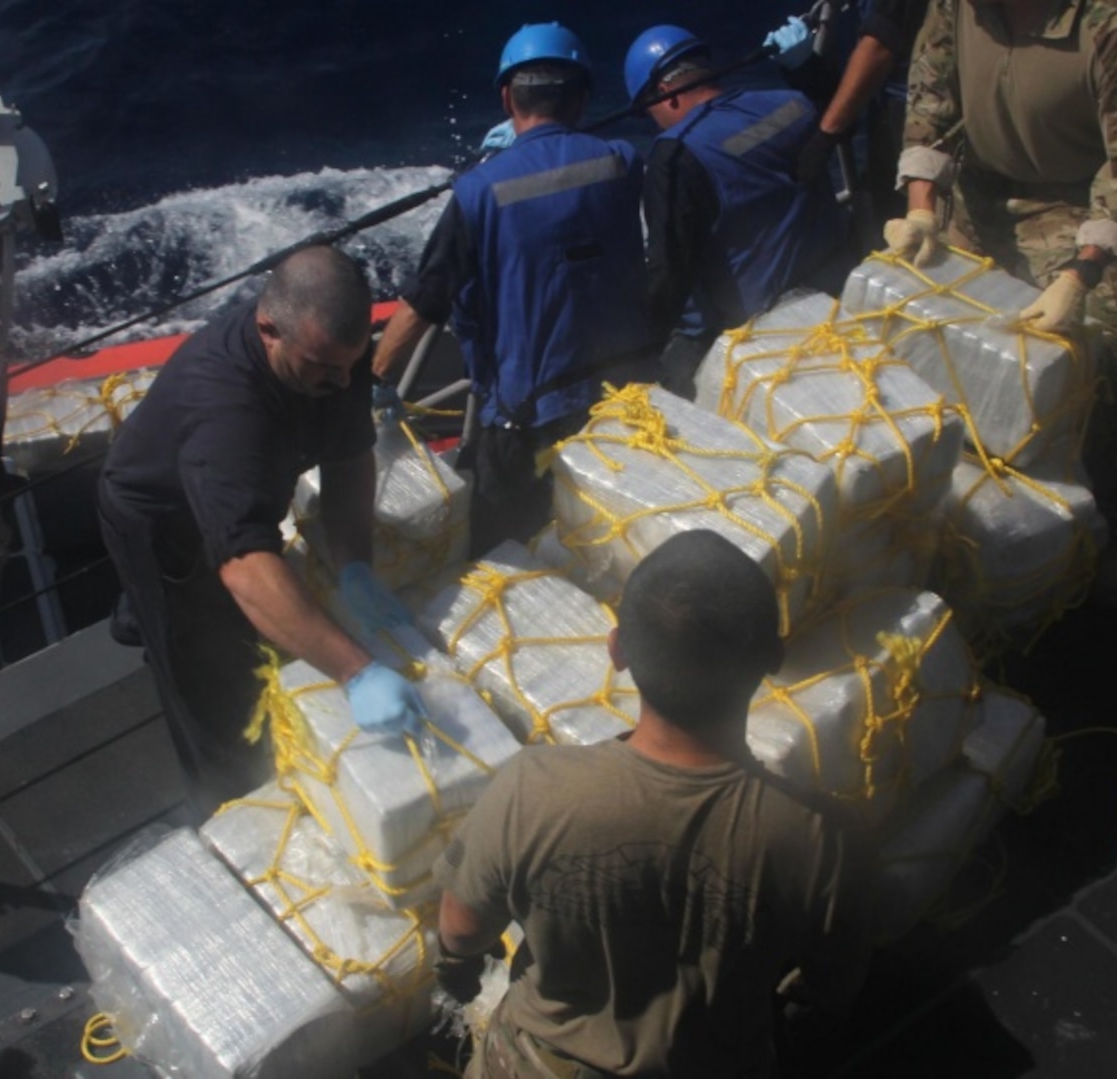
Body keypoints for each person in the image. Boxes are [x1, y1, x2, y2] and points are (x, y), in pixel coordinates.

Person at [435, 530, 869, 1078]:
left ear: (616, 652)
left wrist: (455, 970)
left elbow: (461, 931)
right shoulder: (820, 839)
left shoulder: (533, 790)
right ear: (773, 660)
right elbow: (831, 987)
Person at [97, 246, 427, 810]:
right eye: (325, 369)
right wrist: (357, 672)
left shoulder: (330, 352)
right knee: (206, 683)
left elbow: (350, 455)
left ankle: (142, 619)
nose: (342, 380)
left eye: (351, 365)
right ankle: (228, 804)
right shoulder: (225, 410)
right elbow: (245, 565)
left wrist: (355, 566)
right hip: (164, 520)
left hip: (250, 484)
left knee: (239, 604)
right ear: (267, 329)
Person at [885, 0, 1117, 604]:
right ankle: (930, 502)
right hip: (977, 192)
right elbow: (930, 105)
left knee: (1097, 360)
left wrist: (1081, 274)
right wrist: (920, 208)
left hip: (1076, 206)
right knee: (918, 327)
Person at [373, 23, 651, 556]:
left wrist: (377, 378)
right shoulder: (623, 161)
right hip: (623, 396)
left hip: (523, 418)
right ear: (584, 96)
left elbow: (426, 300)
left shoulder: (478, 192)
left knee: (501, 551)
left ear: (506, 99)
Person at [629, 17, 853, 396]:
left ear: (666, 94)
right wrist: (807, 69)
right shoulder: (793, 103)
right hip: (838, 295)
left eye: (650, 114)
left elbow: (670, 271)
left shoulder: (676, 153)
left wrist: (636, 354)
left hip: (761, 336)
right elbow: (843, 118)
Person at [813, 0, 934, 241]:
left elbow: (879, 44)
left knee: (901, 218)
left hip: (915, 109)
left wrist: (827, 132)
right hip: (895, 101)